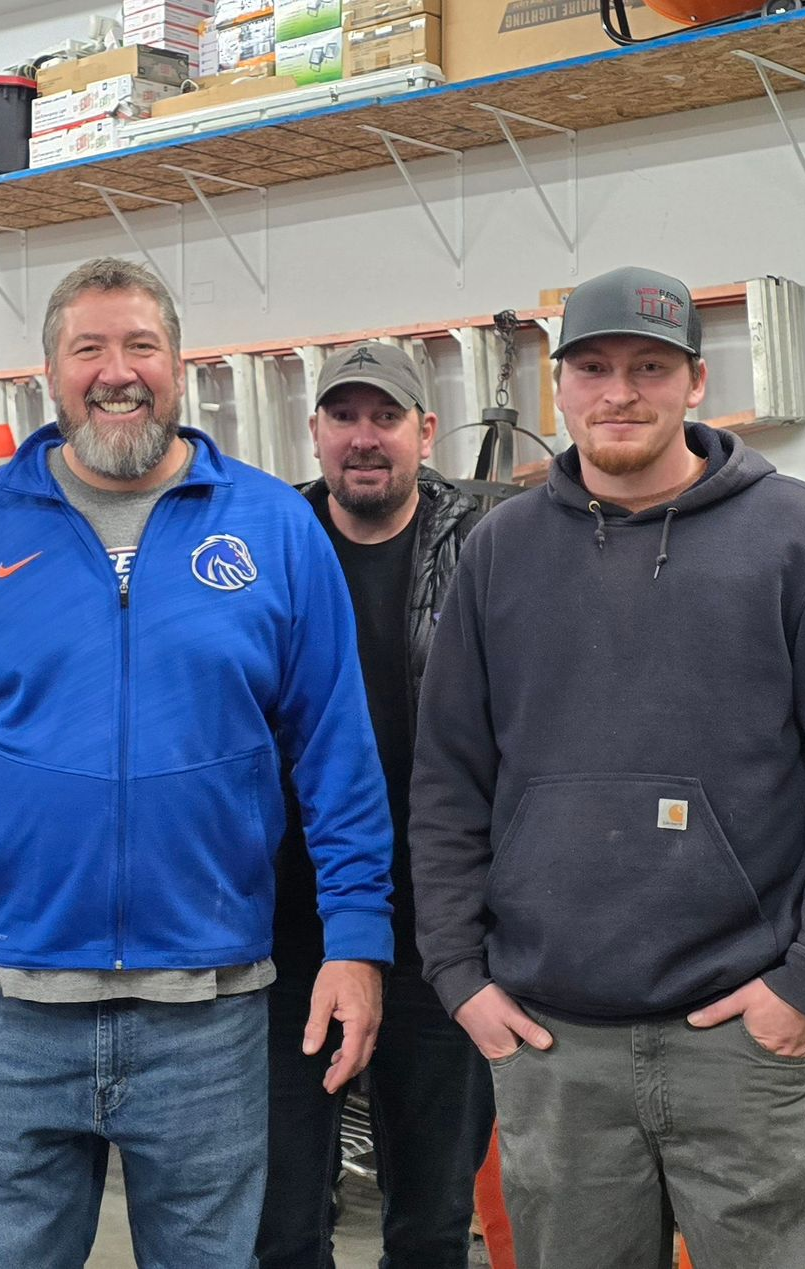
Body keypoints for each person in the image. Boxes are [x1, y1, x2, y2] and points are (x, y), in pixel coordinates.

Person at [0, 256, 396, 1268]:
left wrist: (356, 939)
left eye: (141, 346)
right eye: (90, 349)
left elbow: (337, 753)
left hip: (208, 1009)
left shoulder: (273, 527)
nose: (117, 372)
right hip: (8, 1010)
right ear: (50, 374)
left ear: (179, 365)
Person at [410, 265, 805, 1269]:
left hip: (741, 1039)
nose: (620, 392)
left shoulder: (795, 534)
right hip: (552, 1048)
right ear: (561, 386)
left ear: (695, 382)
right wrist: (458, 973)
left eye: (650, 367)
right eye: (593, 368)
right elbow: (446, 784)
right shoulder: (500, 552)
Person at [259, 342, 494, 1268]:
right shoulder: (264, 547)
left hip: (437, 931)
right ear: (314, 430)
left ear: (425, 432)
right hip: (285, 932)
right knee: (279, 1222)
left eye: (386, 417)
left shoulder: (484, 547)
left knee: (432, 1220)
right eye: (344, 416)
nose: (364, 437)